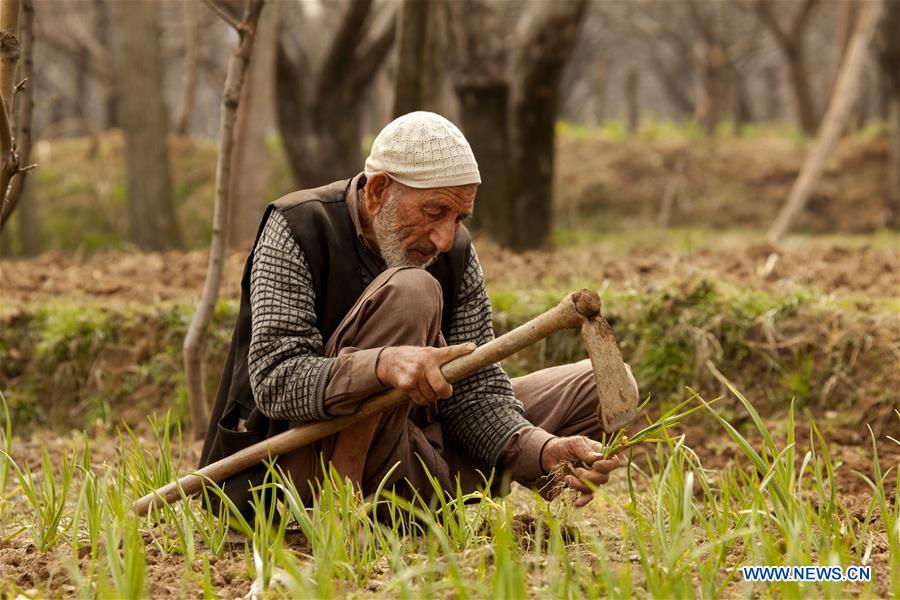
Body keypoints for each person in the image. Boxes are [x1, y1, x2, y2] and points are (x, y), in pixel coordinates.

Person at [199, 112, 636, 519]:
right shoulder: (297, 227)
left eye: (459, 217)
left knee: (590, 386)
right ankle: (339, 516)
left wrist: (542, 450)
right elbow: (276, 381)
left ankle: (421, 506)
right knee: (413, 290)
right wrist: (382, 365)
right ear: (377, 192)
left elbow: (475, 390)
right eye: (434, 213)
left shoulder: (455, 253)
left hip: (407, 444)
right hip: (286, 473)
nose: (445, 238)